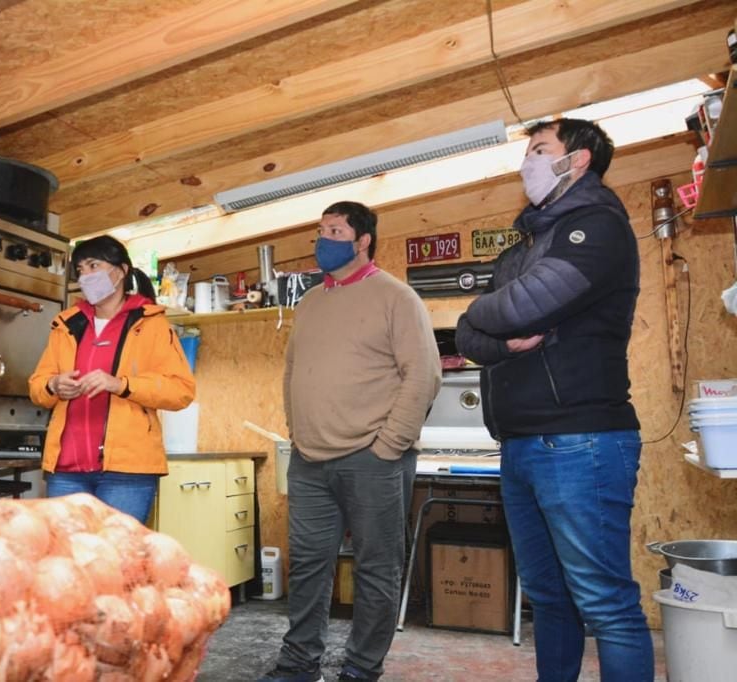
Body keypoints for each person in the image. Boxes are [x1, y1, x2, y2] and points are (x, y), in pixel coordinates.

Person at [455, 118, 652, 681]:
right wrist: (487, 321)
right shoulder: (525, 245)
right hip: (521, 445)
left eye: (541, 149)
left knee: (606, 604)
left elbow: (518, 307)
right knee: (549, 598)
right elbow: (470, 336)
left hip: (580, 440)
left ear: (579, 160)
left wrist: (488, 315)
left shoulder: (599, 225)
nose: (529, 162)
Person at [260, 201, 441, 682]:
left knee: (376, 571)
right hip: (310, 461)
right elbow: (293, 371)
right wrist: (299, 432)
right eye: (320, 230)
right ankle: (298, 665)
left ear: (362, 241)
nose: (324, 239)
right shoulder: (312, 301)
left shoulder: (396, 297)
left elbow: (423, 374)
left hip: (373, 459)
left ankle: (361, 668)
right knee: (309, 567)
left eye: (335, 230)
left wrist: (389, 444)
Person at [28, 235, 195, 522]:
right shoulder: (66, 324)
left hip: (128, 473)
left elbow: (181, 390)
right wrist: (53, 385)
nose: (86, 276)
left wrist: (121, 385)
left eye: (94, 265)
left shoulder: (151, 323)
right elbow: (37, 386)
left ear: (122, 271)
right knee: (69, 558)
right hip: (66, 470)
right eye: (80, 270)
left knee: (119, 558)